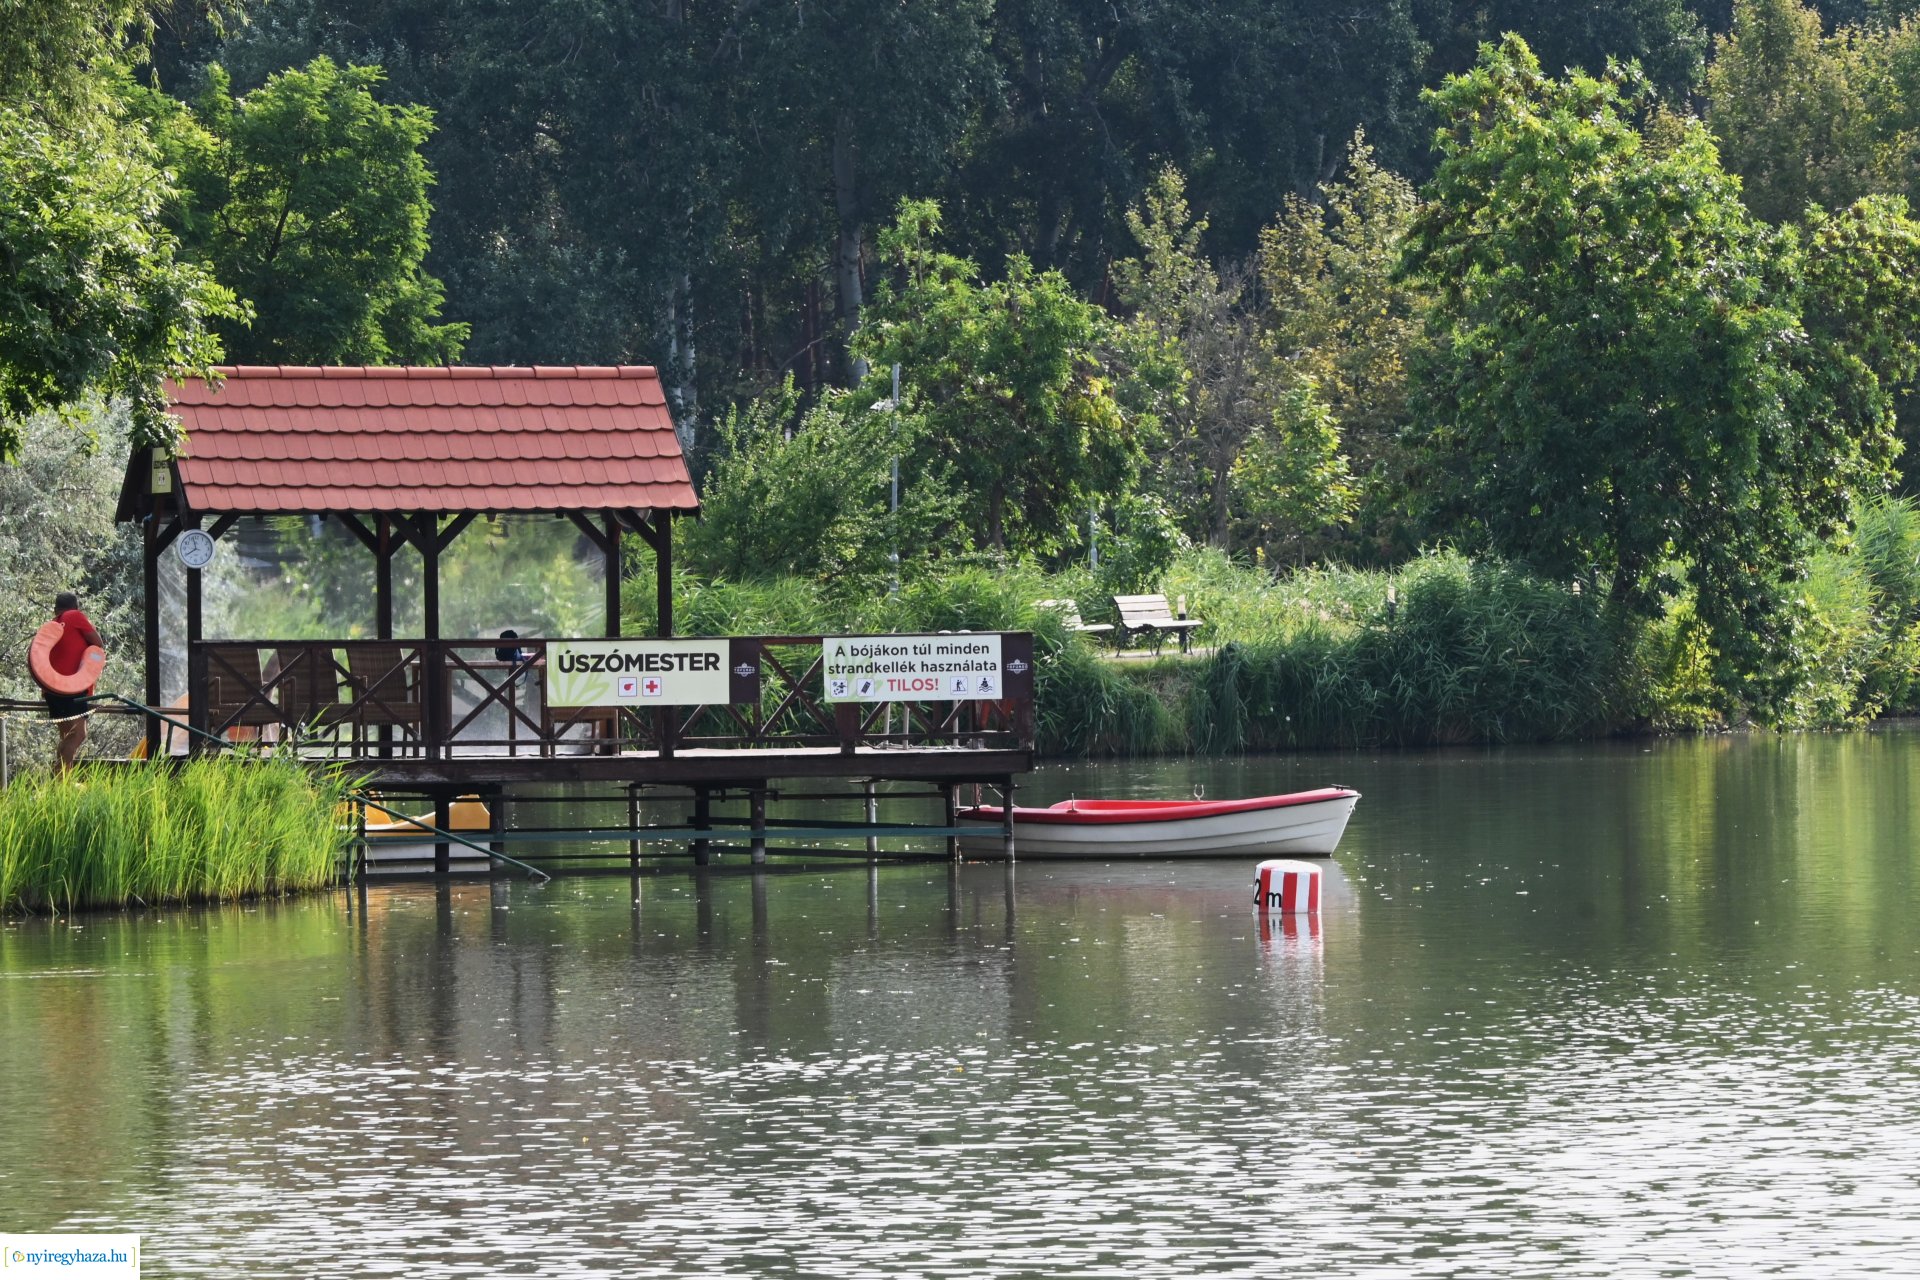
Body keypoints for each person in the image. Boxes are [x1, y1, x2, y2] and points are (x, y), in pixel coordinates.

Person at [43, 592, 102, 774]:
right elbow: (98, 642)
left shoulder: (53, 625)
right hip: (72, 687)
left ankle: (62, 782)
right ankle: (60, 779)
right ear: (76, 607)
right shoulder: (74, 616)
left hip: (52, 687)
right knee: (78, 734)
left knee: (66, 736)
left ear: (56, 609)